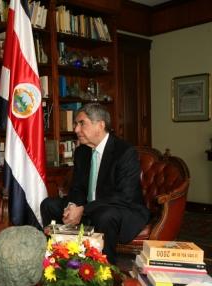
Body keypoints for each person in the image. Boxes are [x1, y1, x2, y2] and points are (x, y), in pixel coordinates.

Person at [40, 103, 150, 264]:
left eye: (81, 123)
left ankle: (105, 270)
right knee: (49, 205)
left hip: (122, 208)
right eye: (76, 124)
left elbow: (124, 196)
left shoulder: (125, 152)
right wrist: (72, 205)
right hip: (89, 207)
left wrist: (83, 209)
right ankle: (61, 262)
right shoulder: (82, 151)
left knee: (104, 215)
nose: (76, 129)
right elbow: (77, 187)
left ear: (100, 125)